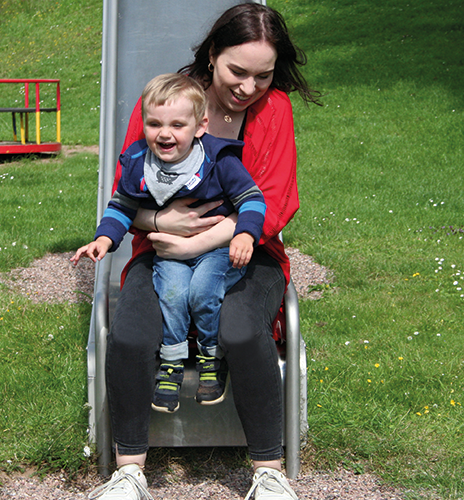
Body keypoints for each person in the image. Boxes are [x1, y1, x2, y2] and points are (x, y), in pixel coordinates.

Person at [89, 4, 320, 500]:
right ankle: (129, 473)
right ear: (212, 55)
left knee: (240, 327)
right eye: (237, 71)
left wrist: (199, 239)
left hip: (245, 250)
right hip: (164, 249)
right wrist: (157, 222)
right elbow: (125, 190)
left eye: (263, 75)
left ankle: (269, 471)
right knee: (129, 335)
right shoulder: (167, 102)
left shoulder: (274, 110)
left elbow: (274, 203)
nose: (248, 87)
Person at [72, 73, 266, 414]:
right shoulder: (139, 163)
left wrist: (246, 234)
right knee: (173, 293)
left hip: (216, 250)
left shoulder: (218, 161)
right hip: (170, 252)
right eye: (154, 124)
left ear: (200, 126)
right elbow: (122, 205)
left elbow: (252, 199)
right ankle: (173, 361)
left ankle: (210, 357)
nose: (165, 134)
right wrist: (103, 238)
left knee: (203, 291)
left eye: (178, 125)